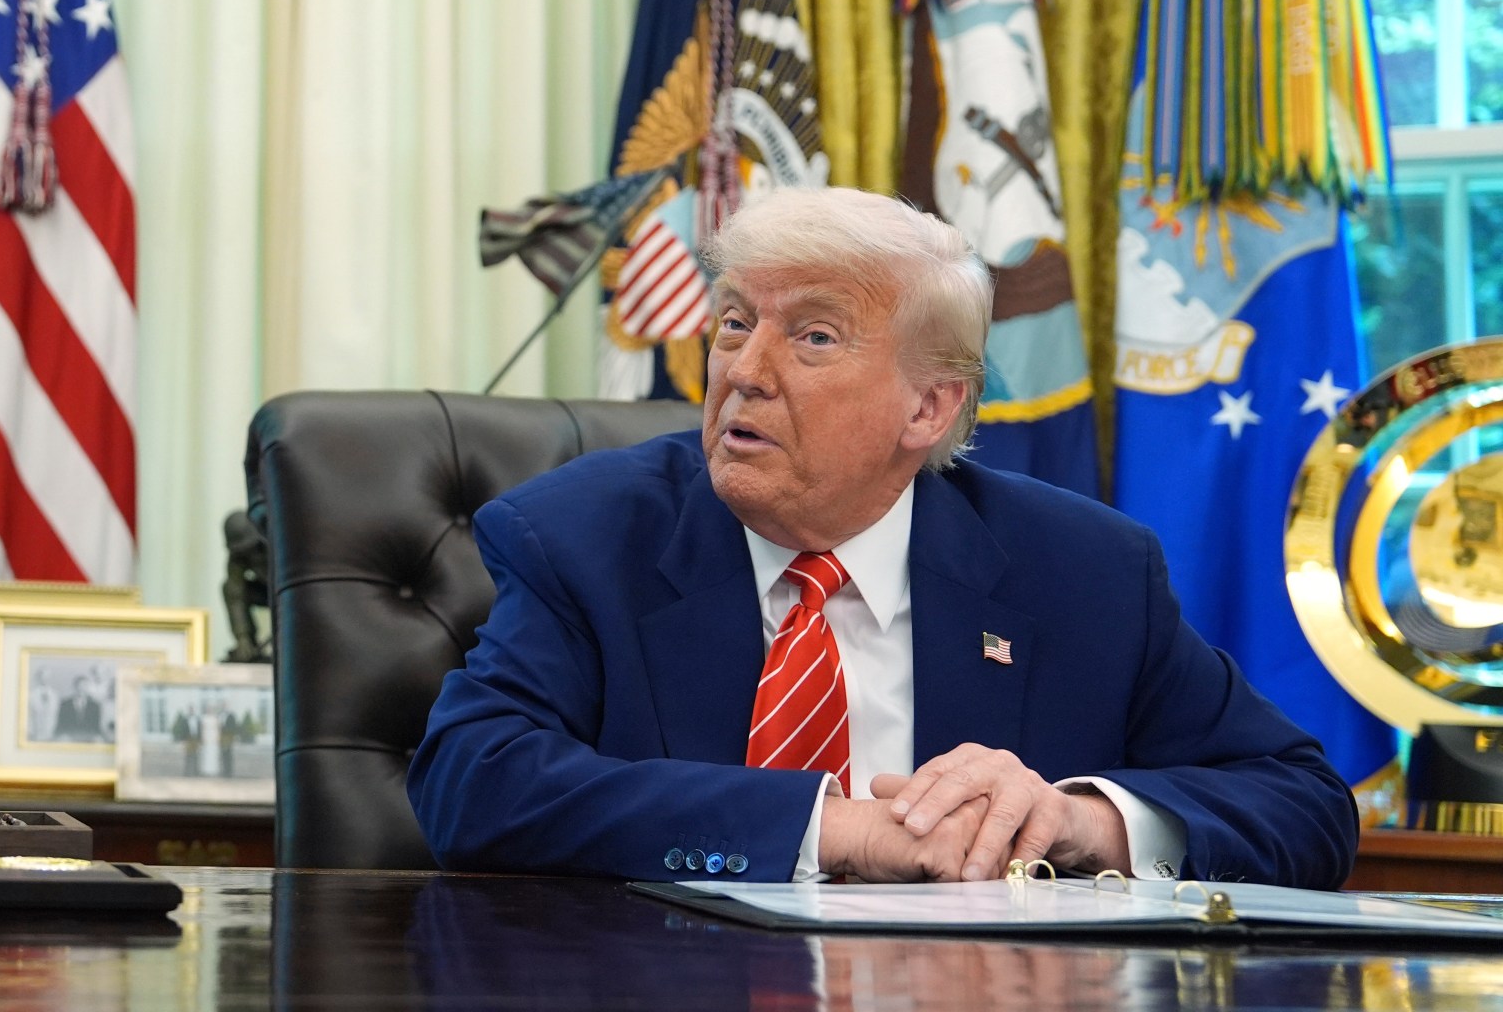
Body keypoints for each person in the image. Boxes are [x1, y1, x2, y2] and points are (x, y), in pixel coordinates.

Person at [407, 187, 1358, 888]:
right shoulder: (584, 535)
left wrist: (1076, 823)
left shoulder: (1083, 573)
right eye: (734, 321)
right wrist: (837, 829)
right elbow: (472, 783)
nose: (744, 368)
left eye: (813, 337)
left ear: (929, 406)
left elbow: (1305, 805)